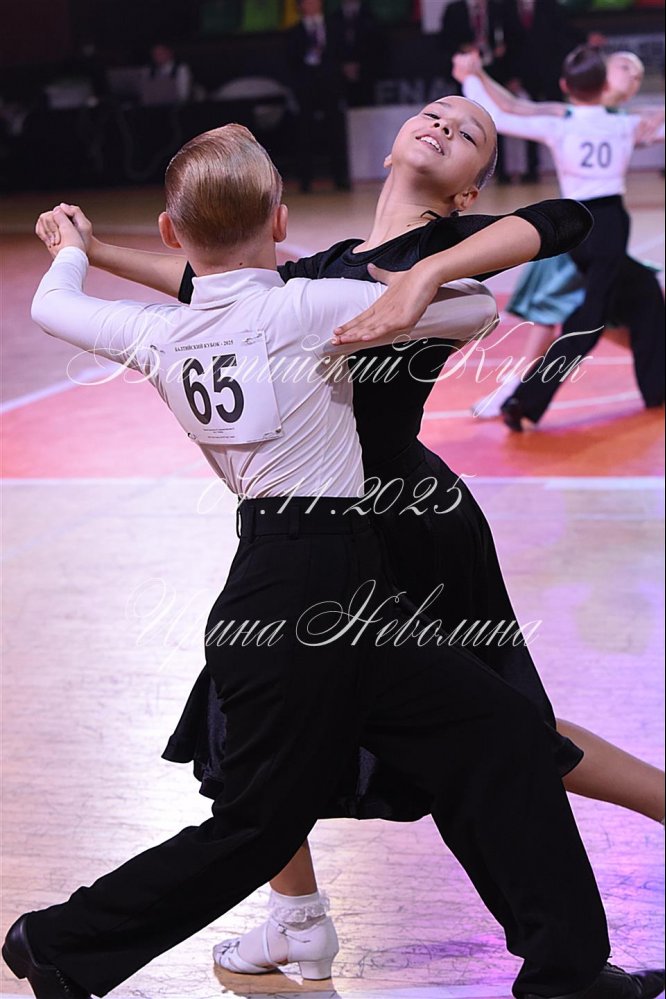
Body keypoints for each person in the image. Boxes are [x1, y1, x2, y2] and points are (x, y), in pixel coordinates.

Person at [5, 123, 661, 999]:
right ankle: (63, 939)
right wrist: (409, 290)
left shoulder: (167, 334)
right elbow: (475, 310)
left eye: (467, 127)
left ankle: (567, 975)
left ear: (172, 232)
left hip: (325, 564)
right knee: (258, 816)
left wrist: (74, 252)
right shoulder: (315, 298)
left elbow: (80, 302)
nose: (442, 124)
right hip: (319, 574)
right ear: (281, 222)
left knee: (501, 734)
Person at [457, 44, 666, 431]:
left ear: (566, 86)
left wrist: (471, 77)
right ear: (604, 84)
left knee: (644, 291)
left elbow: (502, 113)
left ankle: (658, 388)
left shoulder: (561, 122)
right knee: (588, 319)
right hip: (608, 224)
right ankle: (525, 401)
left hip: (575, 228)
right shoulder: (624, 124)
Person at [440, 0, 512, 183]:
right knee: (464, 122)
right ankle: (464, 171)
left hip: (494, 72)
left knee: (497, 122)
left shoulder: (498, 8)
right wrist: (463, 51)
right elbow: (444, 43)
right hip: (465, 73)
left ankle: (500, 170)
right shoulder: (454, 10)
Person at [286, 0, 350, 192]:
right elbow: (291, 63)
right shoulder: (294, 32)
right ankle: (305, 180)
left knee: (335, 132)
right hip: (306, 90)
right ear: (300, 5)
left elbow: (342, 55)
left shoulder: (335, 27)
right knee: (305, 134)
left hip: (331, 87)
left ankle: (340, 177)